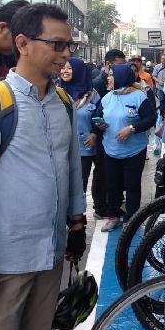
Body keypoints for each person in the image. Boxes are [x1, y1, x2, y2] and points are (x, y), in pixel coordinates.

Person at [0, 3, 86, 330]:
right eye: (57, 45)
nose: (66, 54)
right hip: (4, 262)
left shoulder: (63, 103)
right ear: (23, 43)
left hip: (52, 254)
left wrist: (77, 226)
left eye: (69, 45)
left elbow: (72, 169)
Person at [96, 64, 156, 232]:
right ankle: (113, 216)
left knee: (132, 185)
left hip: (134, 151)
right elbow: (98, 116)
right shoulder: (108, 97)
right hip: (111, 150)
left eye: (111, 75)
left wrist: (131, 128)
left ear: (122, 77)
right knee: (112, 185)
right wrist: (99, 125)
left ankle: (131, 218)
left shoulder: (138, 96)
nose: (108, 78)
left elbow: (150, 118)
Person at [58, 57, 106, 218]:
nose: (65, 71)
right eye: (63, 68)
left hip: (93, 143)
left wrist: (95, 133)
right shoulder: (56, 92)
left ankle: (99, 208)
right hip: (70, 147)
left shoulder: (92, 94)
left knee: (100, 178)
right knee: (78, 182)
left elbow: (101, 115)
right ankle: (76, 215)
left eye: (69, 68)